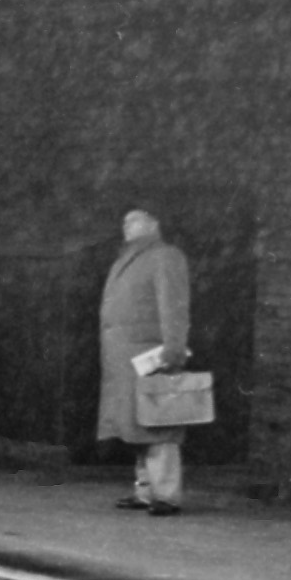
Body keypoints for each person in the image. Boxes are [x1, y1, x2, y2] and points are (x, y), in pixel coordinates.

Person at [97, 208, 190, 515]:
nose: (126, 225)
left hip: (148, 355)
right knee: (137, 424)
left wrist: (173, 349)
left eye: (134, 219)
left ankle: (166, 494)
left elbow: (173, 306)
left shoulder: (165, 256)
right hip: (127, 358)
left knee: (158, 425)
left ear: (154, 223)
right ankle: (146, 491)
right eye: (124, 220)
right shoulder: (130, 257)